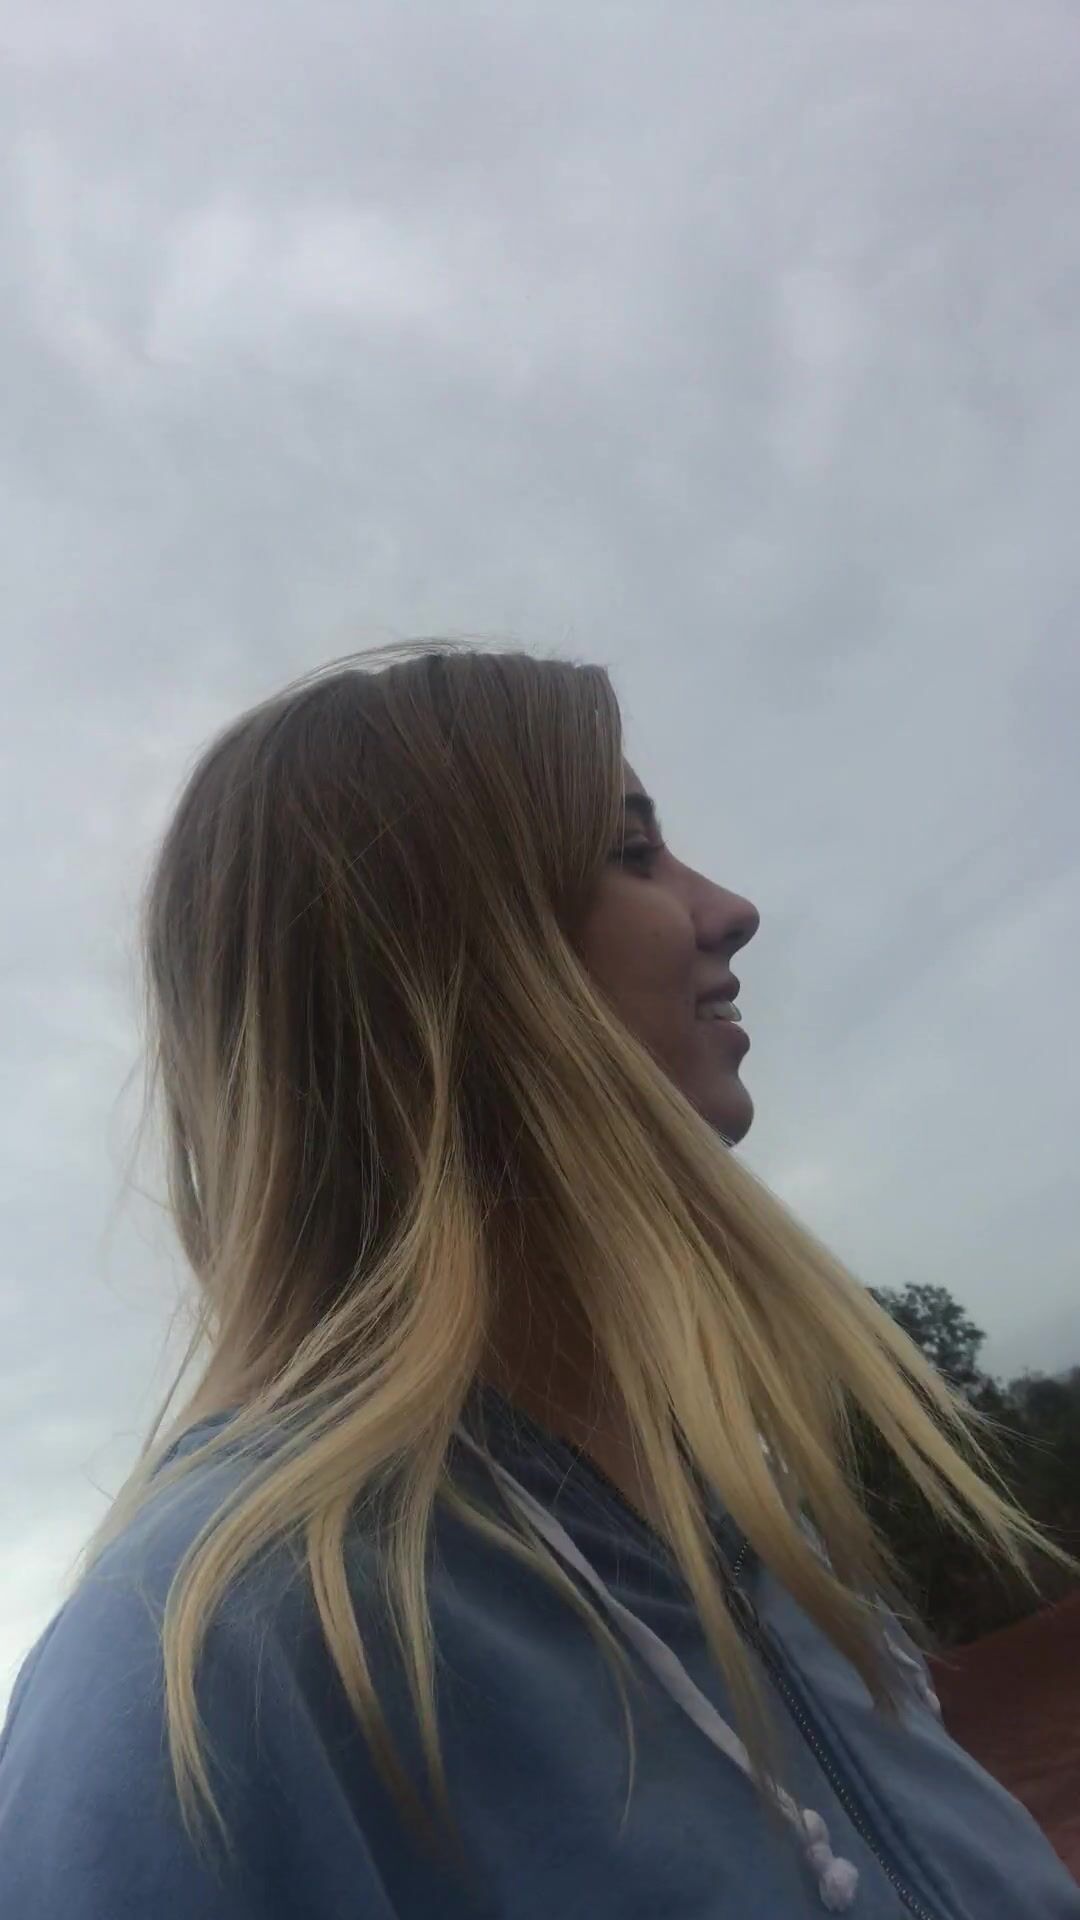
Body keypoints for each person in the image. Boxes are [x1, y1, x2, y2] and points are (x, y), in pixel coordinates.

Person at [1, 645, 1076, 1919]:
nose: (729, 909)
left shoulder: (762, 1548)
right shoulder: (213, 1670)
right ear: (439, 962)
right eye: (632, 853)